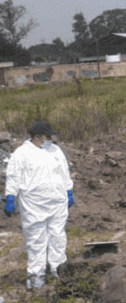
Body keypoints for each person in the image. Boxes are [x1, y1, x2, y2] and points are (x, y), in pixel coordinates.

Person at [3, 121, 74, 290]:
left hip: (57, 203)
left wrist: (69, 191)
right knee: (36, 241)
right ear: (36, 137)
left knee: (58, 237)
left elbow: (64, 172)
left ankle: (59, 273)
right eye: (47, 136)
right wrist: (10, 197)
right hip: (34, 205)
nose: (51, 138)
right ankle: (36, 280)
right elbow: (13, 177)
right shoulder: (21, 154)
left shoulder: (55, 151)